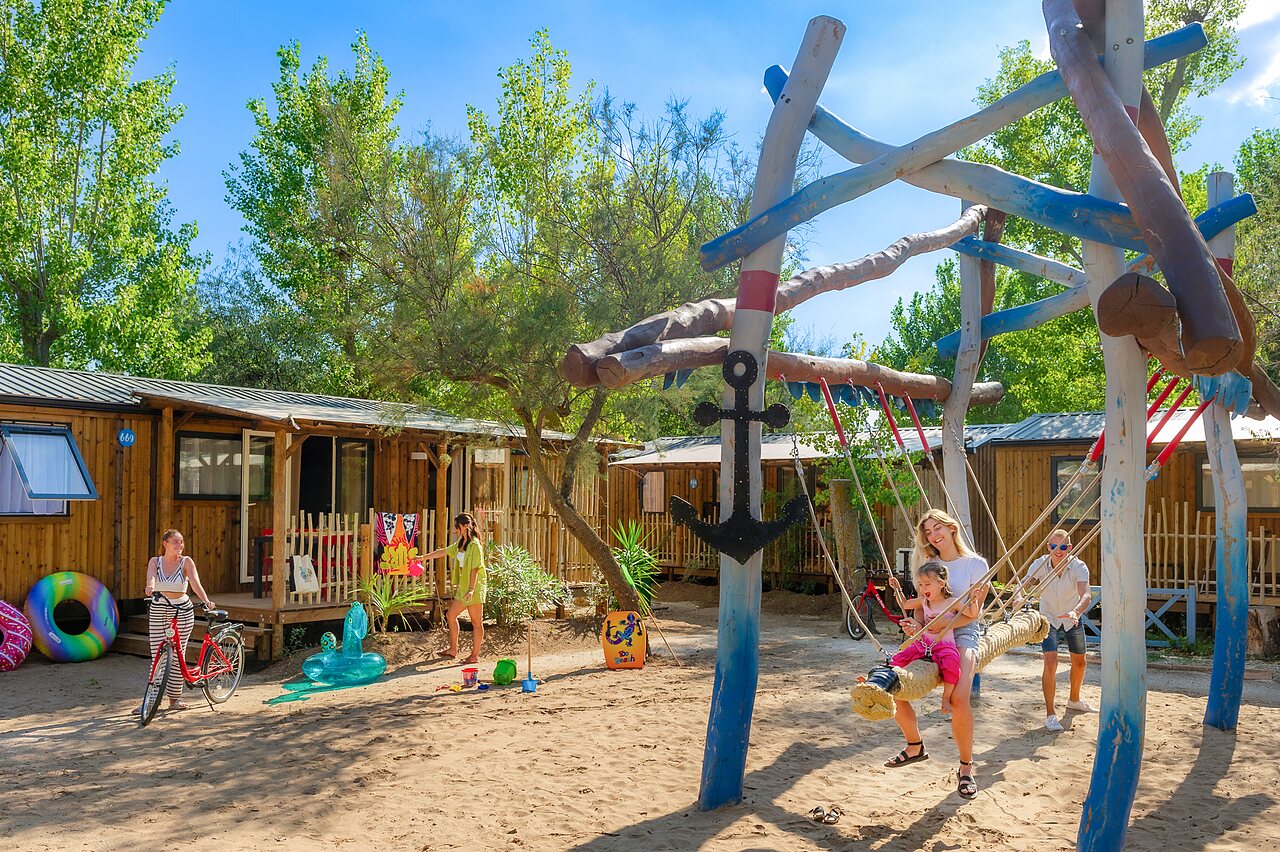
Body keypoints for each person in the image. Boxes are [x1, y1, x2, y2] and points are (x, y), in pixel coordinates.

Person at [882, 509, 988, 800]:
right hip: (926, 632)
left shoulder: (975, 565)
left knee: (958, 698)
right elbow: (920, 606)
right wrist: (917, 625)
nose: (933, 535)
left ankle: (966, 768)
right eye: (927, 531)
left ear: (952, 528)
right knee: (891, 680)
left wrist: (943, 624)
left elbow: (973, 614)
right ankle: (914, 745)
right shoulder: (930, 564)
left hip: (962, 633)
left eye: (937, 527)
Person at [1024, 528, 1094, 732]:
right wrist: (1020, 596)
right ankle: (1050, 714)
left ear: (1069, 548)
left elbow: (1086, 595)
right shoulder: (1041, 563)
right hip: (1049, 618)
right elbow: (1027, 583)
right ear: (1048, 547)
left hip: (1072, 616)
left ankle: (1074, 700)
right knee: (1051, 662)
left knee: (1080, 663)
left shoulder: (1078, 566)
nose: (1058, 550)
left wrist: (1076, 611)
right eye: (1054, 546)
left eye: (1063, 546)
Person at [140, 529, 215, 712]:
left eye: (181, 542)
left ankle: (174, 700)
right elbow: (151, 577)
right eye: (176, 542)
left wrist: (206, 600)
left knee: (176, 655)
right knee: (157, 656)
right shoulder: (155, 561)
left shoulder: (186, 562)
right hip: (159, 608)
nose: (180, 546)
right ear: (165, 543)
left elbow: (195, 583)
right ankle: (150, 701)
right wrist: (150, 586)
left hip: (182, 609)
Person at [888, 561, 962, 715]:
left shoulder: (951, 602)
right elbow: (906, 604)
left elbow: (972, 614)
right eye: (920, 585)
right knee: (898, 658)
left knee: (952, 664)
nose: (923, 589)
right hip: (924, 643)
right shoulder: (924, 601)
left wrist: (974, 600)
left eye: (927, 584)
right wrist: (897, 589)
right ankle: (883, 683)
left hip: (944, 645)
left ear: (941, 584)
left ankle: (946, 697)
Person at [422, 512, 486, 663]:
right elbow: (443, 551)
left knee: (476, 622)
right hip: (465, 588)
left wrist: (471, 589)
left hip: (474, 587)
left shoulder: (475, 545)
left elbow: (475, 569)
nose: (455, 530)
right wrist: (423, 557)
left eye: (457, 527)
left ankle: (474, 656)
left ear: (465, 526)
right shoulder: (460, 543)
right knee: (450, 616)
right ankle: (453, 649)